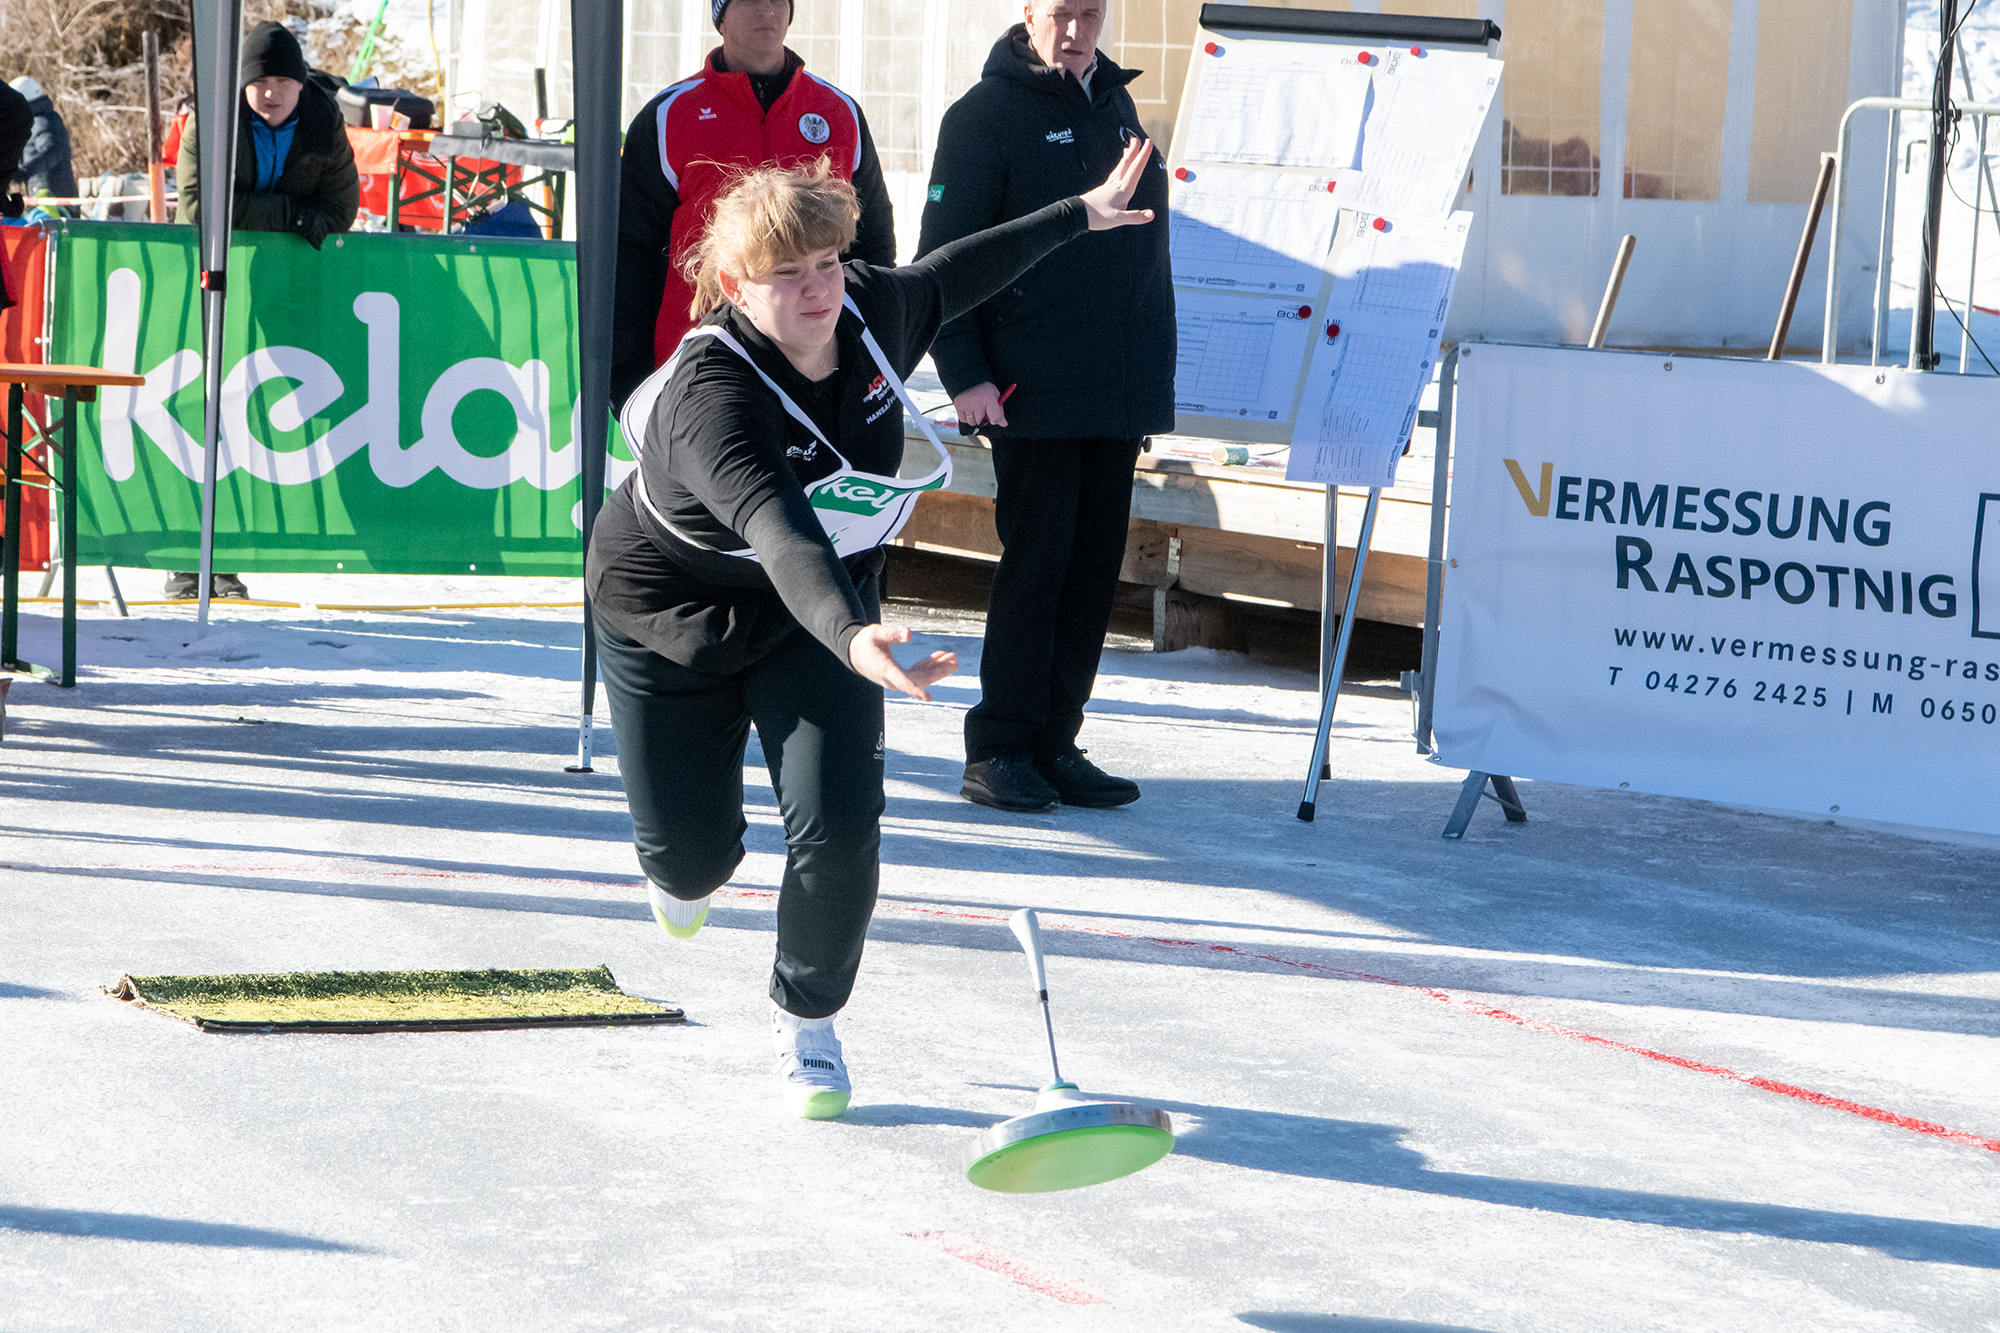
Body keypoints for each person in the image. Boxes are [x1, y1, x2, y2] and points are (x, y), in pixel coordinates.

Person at [585, 141, 1157, 1118]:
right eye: (786, 276)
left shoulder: (867, 313)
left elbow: (953, 271)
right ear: (733, 285)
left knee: (842, 828)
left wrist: (1082, 213)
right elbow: (779, 527)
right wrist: (854, 634)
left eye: (826, 266)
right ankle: (687, 864)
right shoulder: (710, 402)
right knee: (689, 861)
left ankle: (805, 1012)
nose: (815, 292)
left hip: (826, 619)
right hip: (670, 614)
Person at [917, 0, 1174, 814]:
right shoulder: (984, 116)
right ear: (1027, 12)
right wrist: (964, 372)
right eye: (1061, 13)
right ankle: (999, 746)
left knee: (1092, 575)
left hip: (1114, 390)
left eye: (1089, 13)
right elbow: (942, 258)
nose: (1075, 29)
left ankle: (1055, 739)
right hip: (1032, 388)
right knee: (1038, 569)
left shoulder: (1115, 106)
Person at [611, 0, 896, 409]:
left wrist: (871, 355)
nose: (767, 9)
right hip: (699, 371)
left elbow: (874, 249)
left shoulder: (838, 112)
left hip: (820, 373)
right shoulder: (668, 116)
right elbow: (629, 256)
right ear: (720, 16)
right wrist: (627, 381)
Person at [171, 20, 358, 601]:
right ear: (243, 85)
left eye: (283, 79)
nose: (271, 91)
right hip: (212, 285)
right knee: (204, 414)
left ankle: (243, 552)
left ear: (302, 85)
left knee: (265, 418)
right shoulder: (213, 117)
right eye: (260, 81)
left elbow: (342, 207)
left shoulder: (325, 123)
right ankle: (190, 560)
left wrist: (277, 216)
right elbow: (201, 207)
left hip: (288, 293)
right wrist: (290, 217)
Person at [7, 77, 77, 203]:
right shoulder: (31, 122)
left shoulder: (42, 122)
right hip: (43, 196)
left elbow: (53, 151)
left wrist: (24, 171)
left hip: (54, 199)